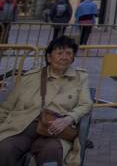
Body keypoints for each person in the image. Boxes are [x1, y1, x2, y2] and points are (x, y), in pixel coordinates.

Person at [0, 35, 93, 165]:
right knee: (5, 148)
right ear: (49, 57)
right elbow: (7, 106)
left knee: (52, 152)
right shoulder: (31, 77)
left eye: (69, 53)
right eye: (59, 53)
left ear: (73, 58)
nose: (64, 57)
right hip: (23, 127)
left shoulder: (80, 78)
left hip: (55, 130)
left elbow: (86, 104)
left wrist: (69, 118)